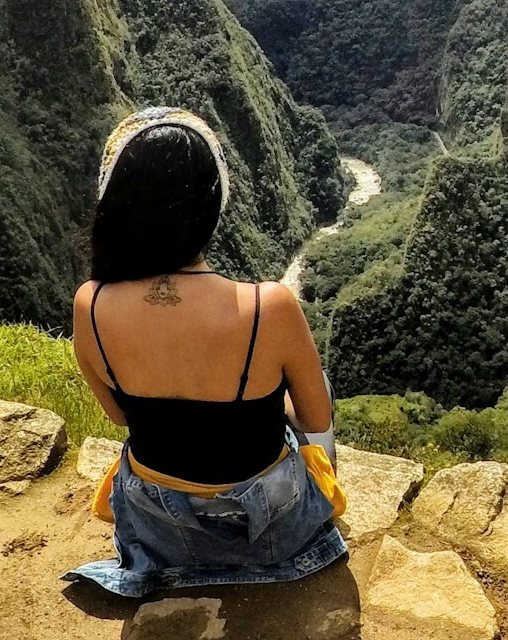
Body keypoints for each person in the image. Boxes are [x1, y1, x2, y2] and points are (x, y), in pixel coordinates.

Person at [63, 107, 347, 597]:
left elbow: (117, 416)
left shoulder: (90, 304)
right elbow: (315, 416)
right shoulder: (268, 307)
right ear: (213, 205)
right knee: (316, 389)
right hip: (270, 531)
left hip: (159, 530)